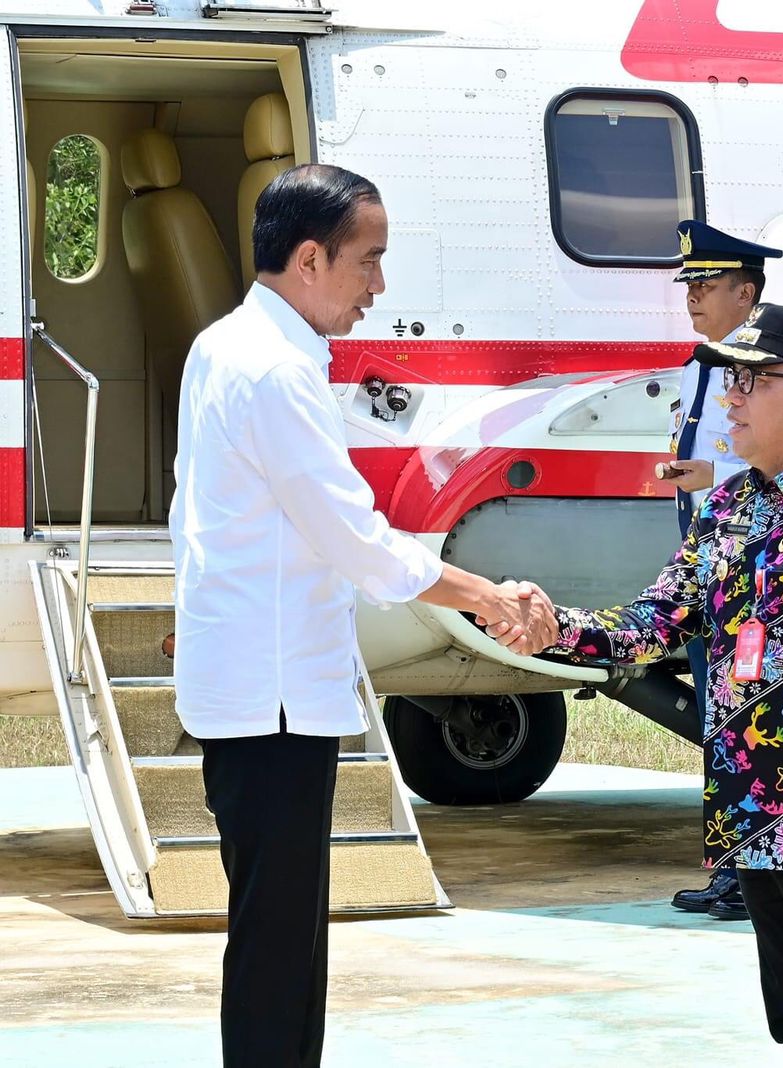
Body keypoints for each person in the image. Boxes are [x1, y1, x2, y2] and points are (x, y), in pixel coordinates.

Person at [171, 164, 555, 1067]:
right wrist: (486, 596)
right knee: (279, 941)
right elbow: (356, 539)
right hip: (273, 698)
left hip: (254, 683)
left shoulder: (225, 345)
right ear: (310, 259)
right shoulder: (275, 371)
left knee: (277, 932)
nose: (377, 287)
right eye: (368, 261)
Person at [500, 304, 783, 1067]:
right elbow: (658, 619)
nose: (730, 397)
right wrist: (555, 627)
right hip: (758, 815)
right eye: (731, 379)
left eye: (752, 381)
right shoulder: (734, 505)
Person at [661, 220, 782, 922]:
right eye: (690, 286)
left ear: (747, 292)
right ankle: (731, 865)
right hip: (711, 564)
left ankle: (757, 870)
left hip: (756, 570)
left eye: (707, 285)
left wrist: (716, 472)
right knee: (719, 720)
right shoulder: (698, 365)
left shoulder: (771, 369)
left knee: (753, 720)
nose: (693, 298)